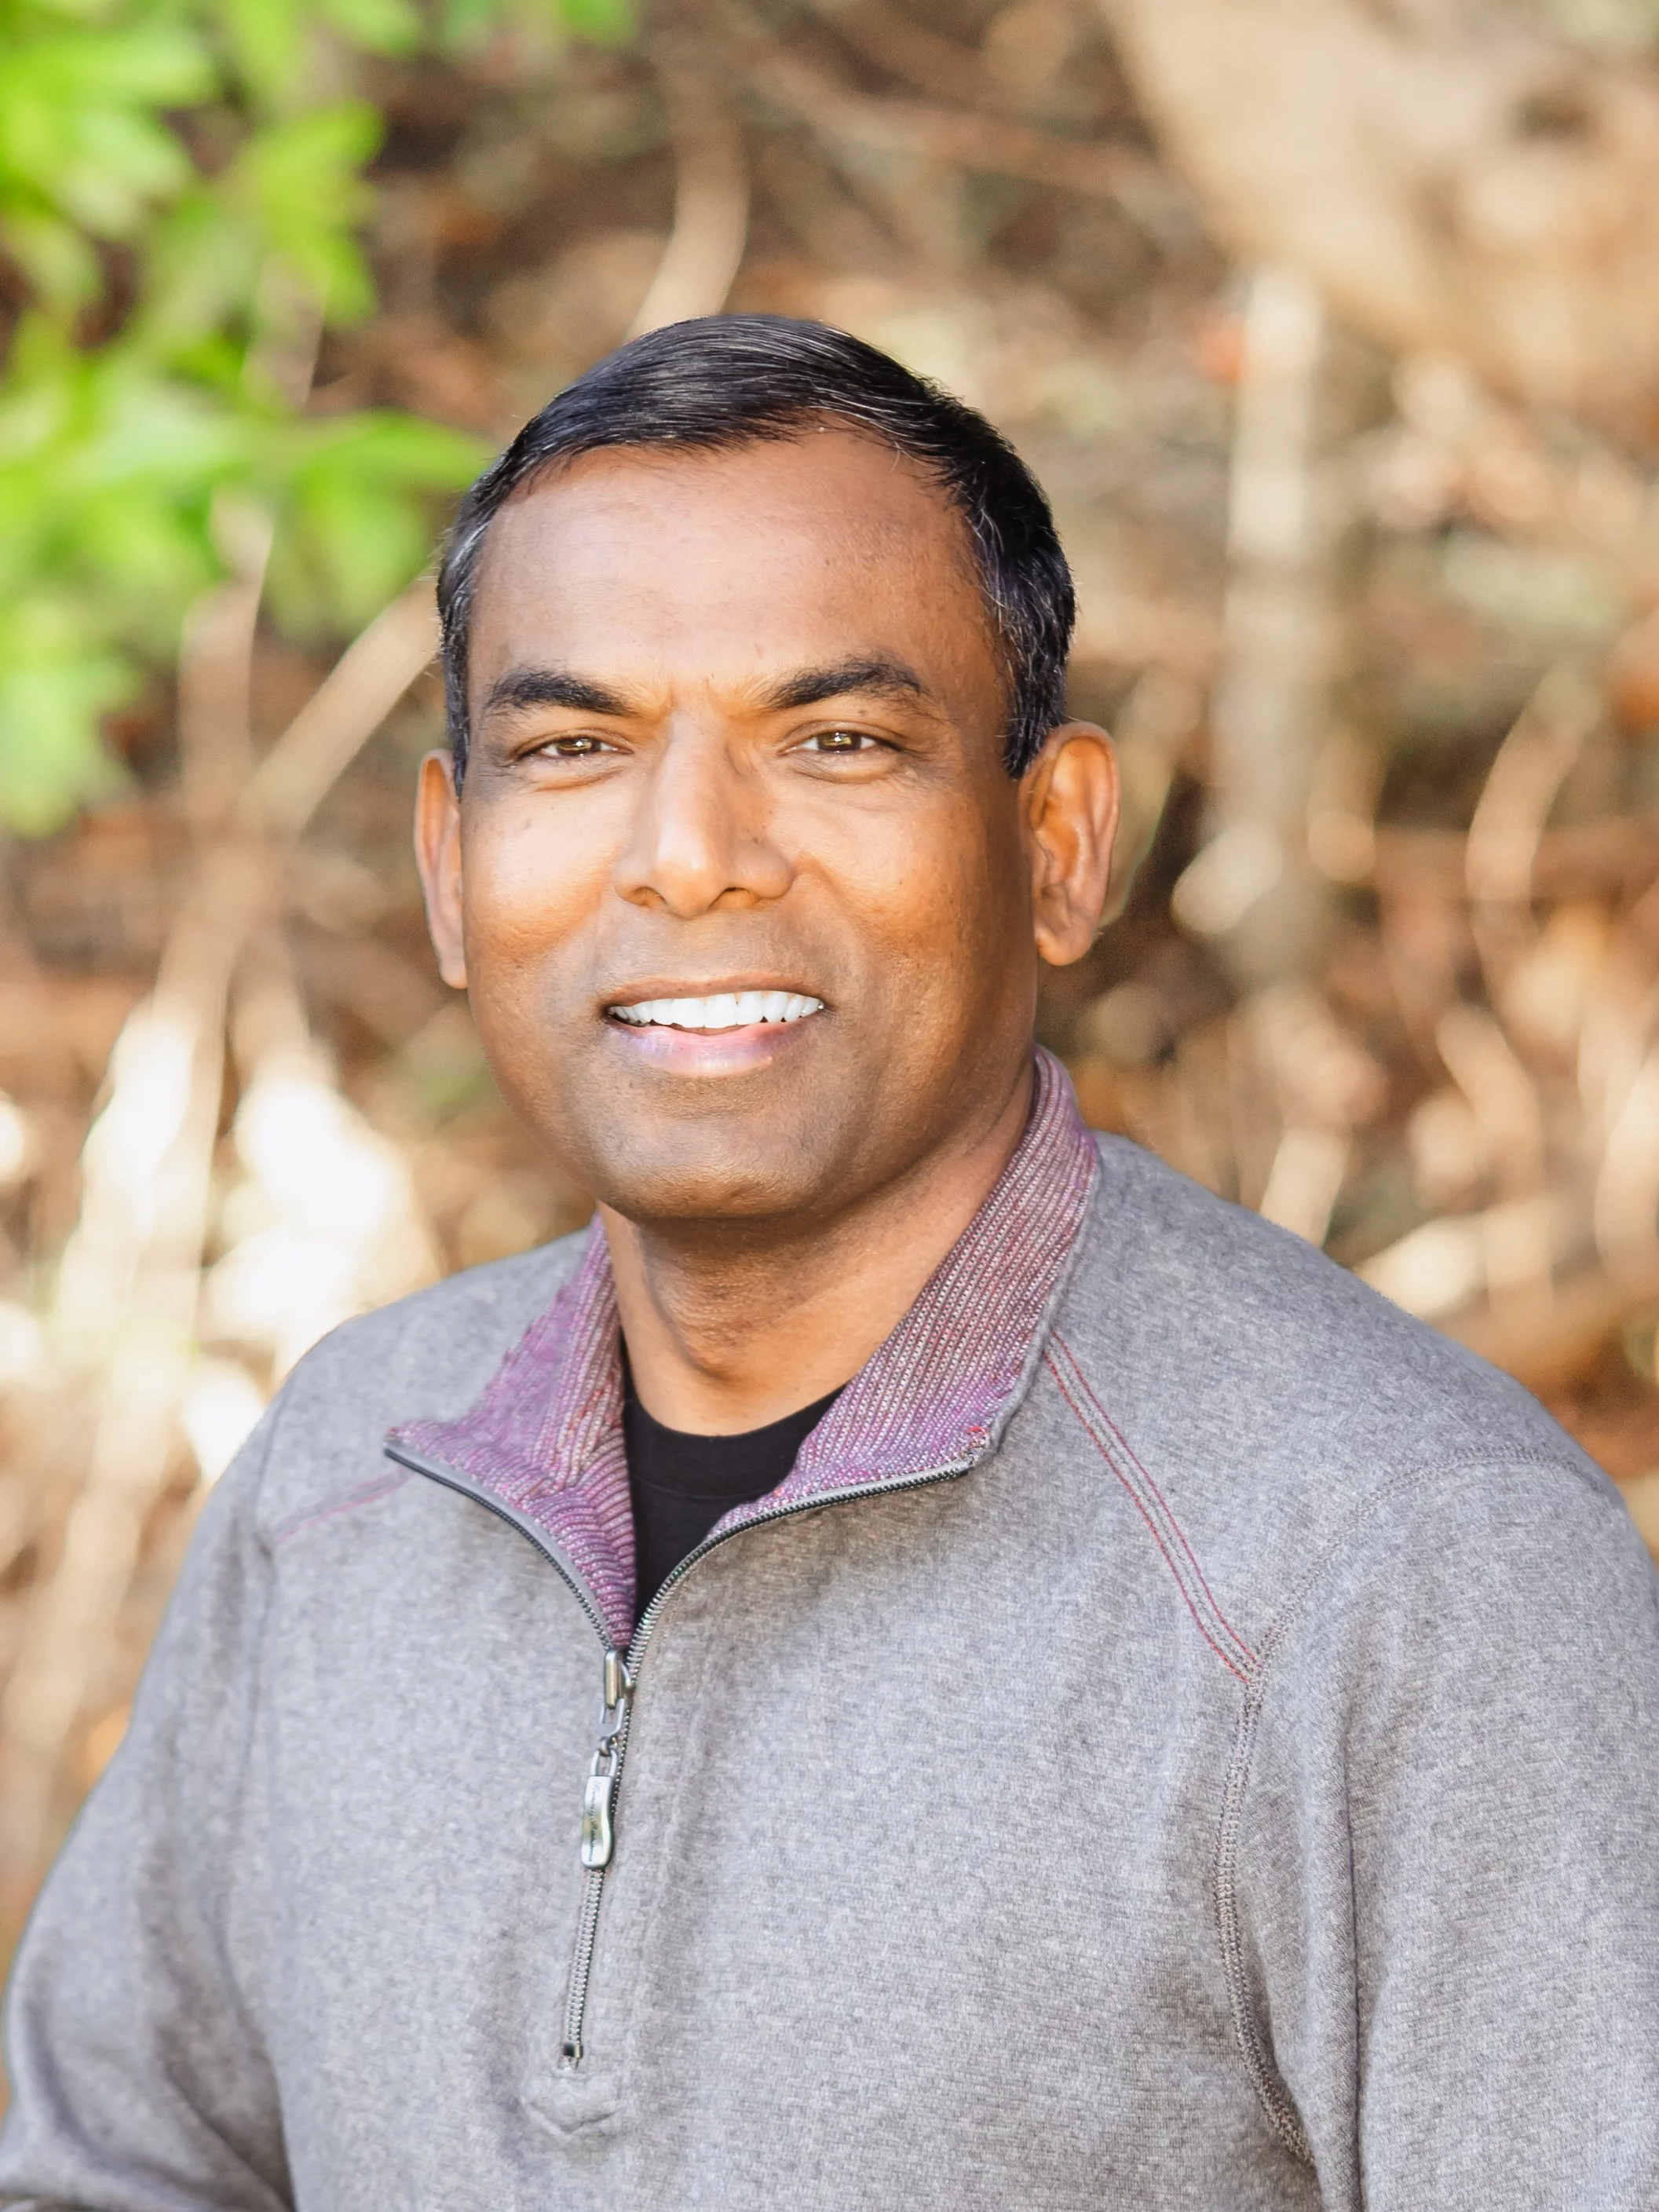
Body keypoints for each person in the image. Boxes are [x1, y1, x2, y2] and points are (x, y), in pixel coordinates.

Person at [1, 315, 1655, 2212]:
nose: (691, 855)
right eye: (573, 746)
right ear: (453, 870)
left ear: (1057, 841)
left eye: (839, 740)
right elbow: (110, 2168)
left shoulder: (1403, 1570)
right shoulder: (347, 1476)